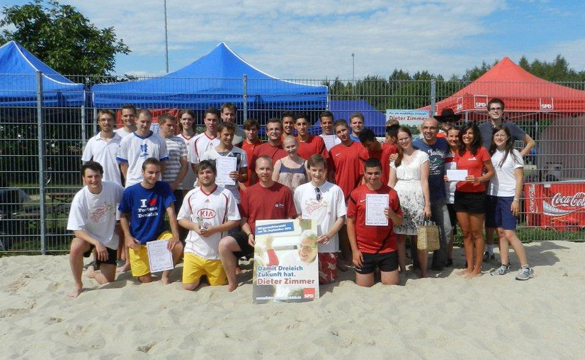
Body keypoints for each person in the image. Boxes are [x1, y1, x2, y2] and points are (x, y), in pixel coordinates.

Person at [218, 156, 297, 292]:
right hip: (253, 237)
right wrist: (248, 234)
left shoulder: (284, 191)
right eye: (261, 169)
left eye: (267, 169)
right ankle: (232, 281)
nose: (265, 172)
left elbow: (291, 218)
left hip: (276, 240)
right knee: (224, 244)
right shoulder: (249, 192)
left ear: (272, 170)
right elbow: (243, 219)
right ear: (256, 170)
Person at [479, 98, 535, 261]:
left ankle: (507, 257)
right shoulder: (482, 128)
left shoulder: (510, 126)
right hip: (487, 177)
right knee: (489, 218)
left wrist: (515, 158)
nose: (495, 111)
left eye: (498, 108)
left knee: (505, 227)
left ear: (503, 111)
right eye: (492, 108)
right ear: (488, 111)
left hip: (506, 179)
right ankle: (489, 250)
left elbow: (531, 142)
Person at [177, 160, 240, 290]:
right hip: (193, 250)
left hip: (216, 252)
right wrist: (194, 226)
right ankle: (200, 274)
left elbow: (235, 220)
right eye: (202, 173)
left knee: (217, 284)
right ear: (198, 176)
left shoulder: (226, 194)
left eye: (208, 172)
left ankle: (206, 274)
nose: (205, 175)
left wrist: (215, 229)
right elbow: (181, 219)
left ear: (215, 174)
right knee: (188, 286)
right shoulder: (191, 194)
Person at [119, 158, 183, 284]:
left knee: (178, 245)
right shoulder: (130, 191)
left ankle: (165, 275)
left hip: (159, 235)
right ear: (143, 172)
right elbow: (122, 216)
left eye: (157, 173)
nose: (154, 176)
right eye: (150, 172)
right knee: (145, 280)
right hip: (139, 240)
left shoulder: (163, 187)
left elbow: (171, 212)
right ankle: (134, 263)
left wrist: (175, 235)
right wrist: (128, 237)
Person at [67, 162, 124, 298]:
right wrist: (97, 243)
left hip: (109, 239)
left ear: (102, 176)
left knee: (107, 281)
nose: (94, 180)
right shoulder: (80, 198)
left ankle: (92, 271)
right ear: (83, 179)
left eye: (97, 176)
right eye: (90, 177)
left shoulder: (114, 188)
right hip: (89, 238)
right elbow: (76, 230)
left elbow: (128, 201)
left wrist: (120, 222)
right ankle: (78, 284)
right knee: (75, 247)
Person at [487, 126, 534, 280]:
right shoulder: (491, 153)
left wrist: (516, 199)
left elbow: (520, 178)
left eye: (502, 135)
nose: (499, 137)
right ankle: (504, 264)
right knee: (500, 233)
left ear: (508, 137)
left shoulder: (514, 154)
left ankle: (525, 267)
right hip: (493, 196)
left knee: (510, 233)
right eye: (497, 135)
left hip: (508, 197)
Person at [347, 158, 403, 287]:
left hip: (387, 247)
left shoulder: (392, 193)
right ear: (364, 173)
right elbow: (350, 223)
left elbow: (399, 221)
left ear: (382, 173)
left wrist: (393, 215)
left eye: (376, 173)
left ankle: (380, 270)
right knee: (364, 285)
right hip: (364, 248)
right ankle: (374, 271)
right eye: (370, 173)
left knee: (392, 284)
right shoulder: (356, 194)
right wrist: (355, 251)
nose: (373, 177)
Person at [450, 123, 495, 278]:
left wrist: (478, 179)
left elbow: (491, 172)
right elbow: (458, 172)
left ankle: (478, 267)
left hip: (477, 195)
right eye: (464, 133)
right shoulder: (459, 151)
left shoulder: (482, 151)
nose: (467, 136)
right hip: (460, 194)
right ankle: (469, 266)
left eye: (470, 133)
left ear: (475, 135)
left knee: (476, 233)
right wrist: (449, 177)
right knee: (466, 233)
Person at [294, 155, 346, 284]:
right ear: (309, 170)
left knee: (327, 281)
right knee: (308, 282)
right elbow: (298, 215)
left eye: (320, 170)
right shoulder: (300, 190)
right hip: (307, 245)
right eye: (314, 170)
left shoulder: (335, 190)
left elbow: (341, 217)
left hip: (329, 245)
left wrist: (329, 235)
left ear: (326, 170)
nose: (317, 174)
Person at [389, 127, 431, 277]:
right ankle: (403, 269)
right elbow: (390, 183)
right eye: (400, 139)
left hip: (417, 198)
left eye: (406, 138)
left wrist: (427, 204)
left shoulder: (422, 156)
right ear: (397, 141)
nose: (404, 141)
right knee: (400, 236)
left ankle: (424, 270)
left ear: (411, 137)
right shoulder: (395, 159)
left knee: (420, 237)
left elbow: (425, 181)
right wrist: (386, 202)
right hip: (399, 200)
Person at [412, 118, 452, 271]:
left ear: (438, 129)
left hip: (439, 194)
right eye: (426, 128)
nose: (429, 131)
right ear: (421, 128)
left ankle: (438, 263)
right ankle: (417, 263)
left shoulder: (443, 143)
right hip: (420, 195)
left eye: (433, 128)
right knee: (419, 231)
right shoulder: (415, 145)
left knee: (445, 230)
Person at [329, 119, 363, 270]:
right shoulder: (333, 151)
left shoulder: (359, 147)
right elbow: (330, 174)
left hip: (355, 194)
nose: (342, 134)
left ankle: (357, 254)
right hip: (339, 194)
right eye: (338, 132)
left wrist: (356, 193)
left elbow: (363, 174)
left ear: (348, 129)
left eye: (343, 130)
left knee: (355, 225)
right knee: (342, 227)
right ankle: (347, 255)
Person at [116, 109, 169, 188]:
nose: (145, 124)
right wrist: (128, 179)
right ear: (136, 120)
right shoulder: (126, 140)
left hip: (154, 184)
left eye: (148, 122)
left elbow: (162, 163)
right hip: (133, 183)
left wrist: (156, 178)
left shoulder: (160, 140)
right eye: (143, 121)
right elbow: (124, 164)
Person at [201, 122, 248, 203]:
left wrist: (238, 176)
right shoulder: (208, 154)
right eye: (226, 134)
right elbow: (201, 175)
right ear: (219, 134)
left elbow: (245, 176)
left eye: (231, 134)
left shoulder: (241, 153)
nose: (229, 137)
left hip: (233, 196)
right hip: (213, 195)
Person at [82, 109, 123, 187]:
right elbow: (86, 167)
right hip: (97, 185)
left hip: (117, 186)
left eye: (109, 120)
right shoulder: (92, 141)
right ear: (98, 122)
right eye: (103, 120)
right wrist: (85, 187)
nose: (106, 122)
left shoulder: (122, 141)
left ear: (114, 122)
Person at [158, 113, 188, 210]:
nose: (172, 128)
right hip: (157, 184)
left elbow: (184, 165)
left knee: (177, 214)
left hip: (175, 186)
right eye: (169, 125)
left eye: (173, 125)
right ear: (161, 125)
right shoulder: (154, 140)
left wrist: (176, 183)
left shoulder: (180, 141)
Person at [249, 118, 287, 184]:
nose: (274, 131)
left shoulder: (288, 149)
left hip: (281, 188)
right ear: (267, 132)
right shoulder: (259, 149)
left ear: (282, 131)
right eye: (271, 129)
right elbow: (253, 173)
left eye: (277, 129)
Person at [444, 126, 460, 267]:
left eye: (456, 136)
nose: (454, 139)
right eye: (451, 136)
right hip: (446, 197)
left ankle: (469, 257)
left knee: (468, 229)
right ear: (446, 137)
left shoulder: (465, 152)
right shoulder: (443, 152)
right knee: (449, 229)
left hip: (462, 196)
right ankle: (448, 257)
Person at [188, 107, 220, 174]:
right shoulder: (195, 140)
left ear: (218, 121)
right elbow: (194, 164)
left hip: (220, 180)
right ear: (204, 121)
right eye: (209, 120)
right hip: (202, 180)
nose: (211, 123)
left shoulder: (223, 140)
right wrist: (200, 177)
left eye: (214, 120)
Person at [177, 109, 198, 196]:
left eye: (189, 119)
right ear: (180, 120)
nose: (187, 121)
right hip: (180, 180)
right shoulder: (176, 139)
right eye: (184, 119)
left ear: (193, 120)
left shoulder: (199, 138)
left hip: (195, 179)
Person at [239, 118, 263, 190]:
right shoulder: (239, 146)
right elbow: (235, 168)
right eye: (248, 129)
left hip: (259, 185)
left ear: (258, 130)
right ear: (244, 130)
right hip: (243, 187)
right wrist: (242, 186)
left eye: (253, 129)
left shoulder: (263, 146)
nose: (251, 132)